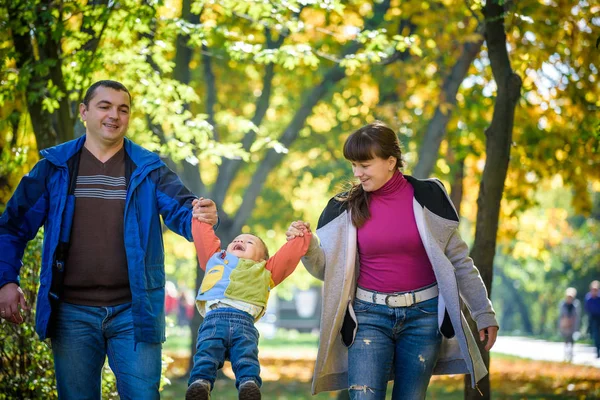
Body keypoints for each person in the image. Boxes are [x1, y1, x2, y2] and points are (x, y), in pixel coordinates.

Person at [0, 80, 218, 399]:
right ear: (84, 112)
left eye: (123, 109)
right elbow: (13, 226)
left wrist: (200, 213)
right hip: (71, 312)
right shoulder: (54, 168)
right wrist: (6, 280)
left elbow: (183, 212)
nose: (114, 115)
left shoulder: (148, 169)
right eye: (104, 106)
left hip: (135, 312)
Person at [286, 121, 499, 399]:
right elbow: (327, 269)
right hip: (368, 317)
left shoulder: (428, 197)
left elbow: (459, 261)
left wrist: (483, 313)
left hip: (423, 318)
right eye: (353, 165)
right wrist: (307, 245)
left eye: (365, 165)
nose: (357, 173)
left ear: (391, 161)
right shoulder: (344, 208)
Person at [186, 218, 311, 400]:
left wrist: (301, 234)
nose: (239, 241)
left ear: (262, 258)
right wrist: (200, 217)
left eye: (249, 242)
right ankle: (199, 384)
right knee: (206, 355)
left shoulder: (266, 270)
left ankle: (249, 386)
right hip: (214, 320)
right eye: (236, 240)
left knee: (246, 358)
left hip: (243, 323)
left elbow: (289, 255)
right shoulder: (215, 260)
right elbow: (204, 237)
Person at [558, 287, 580, 362]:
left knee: (571, 338)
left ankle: (571, 352)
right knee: (566, 338)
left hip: (573, 324)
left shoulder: (575, 304)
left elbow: (577, 316)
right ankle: (566, 352)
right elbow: (561, 315)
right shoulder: (563, 304)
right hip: (564, 324)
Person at [585, 280, 600, 358]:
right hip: (593, 318)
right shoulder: (588, 298)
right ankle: (597, 350)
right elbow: (587, 308)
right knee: (595, 335)